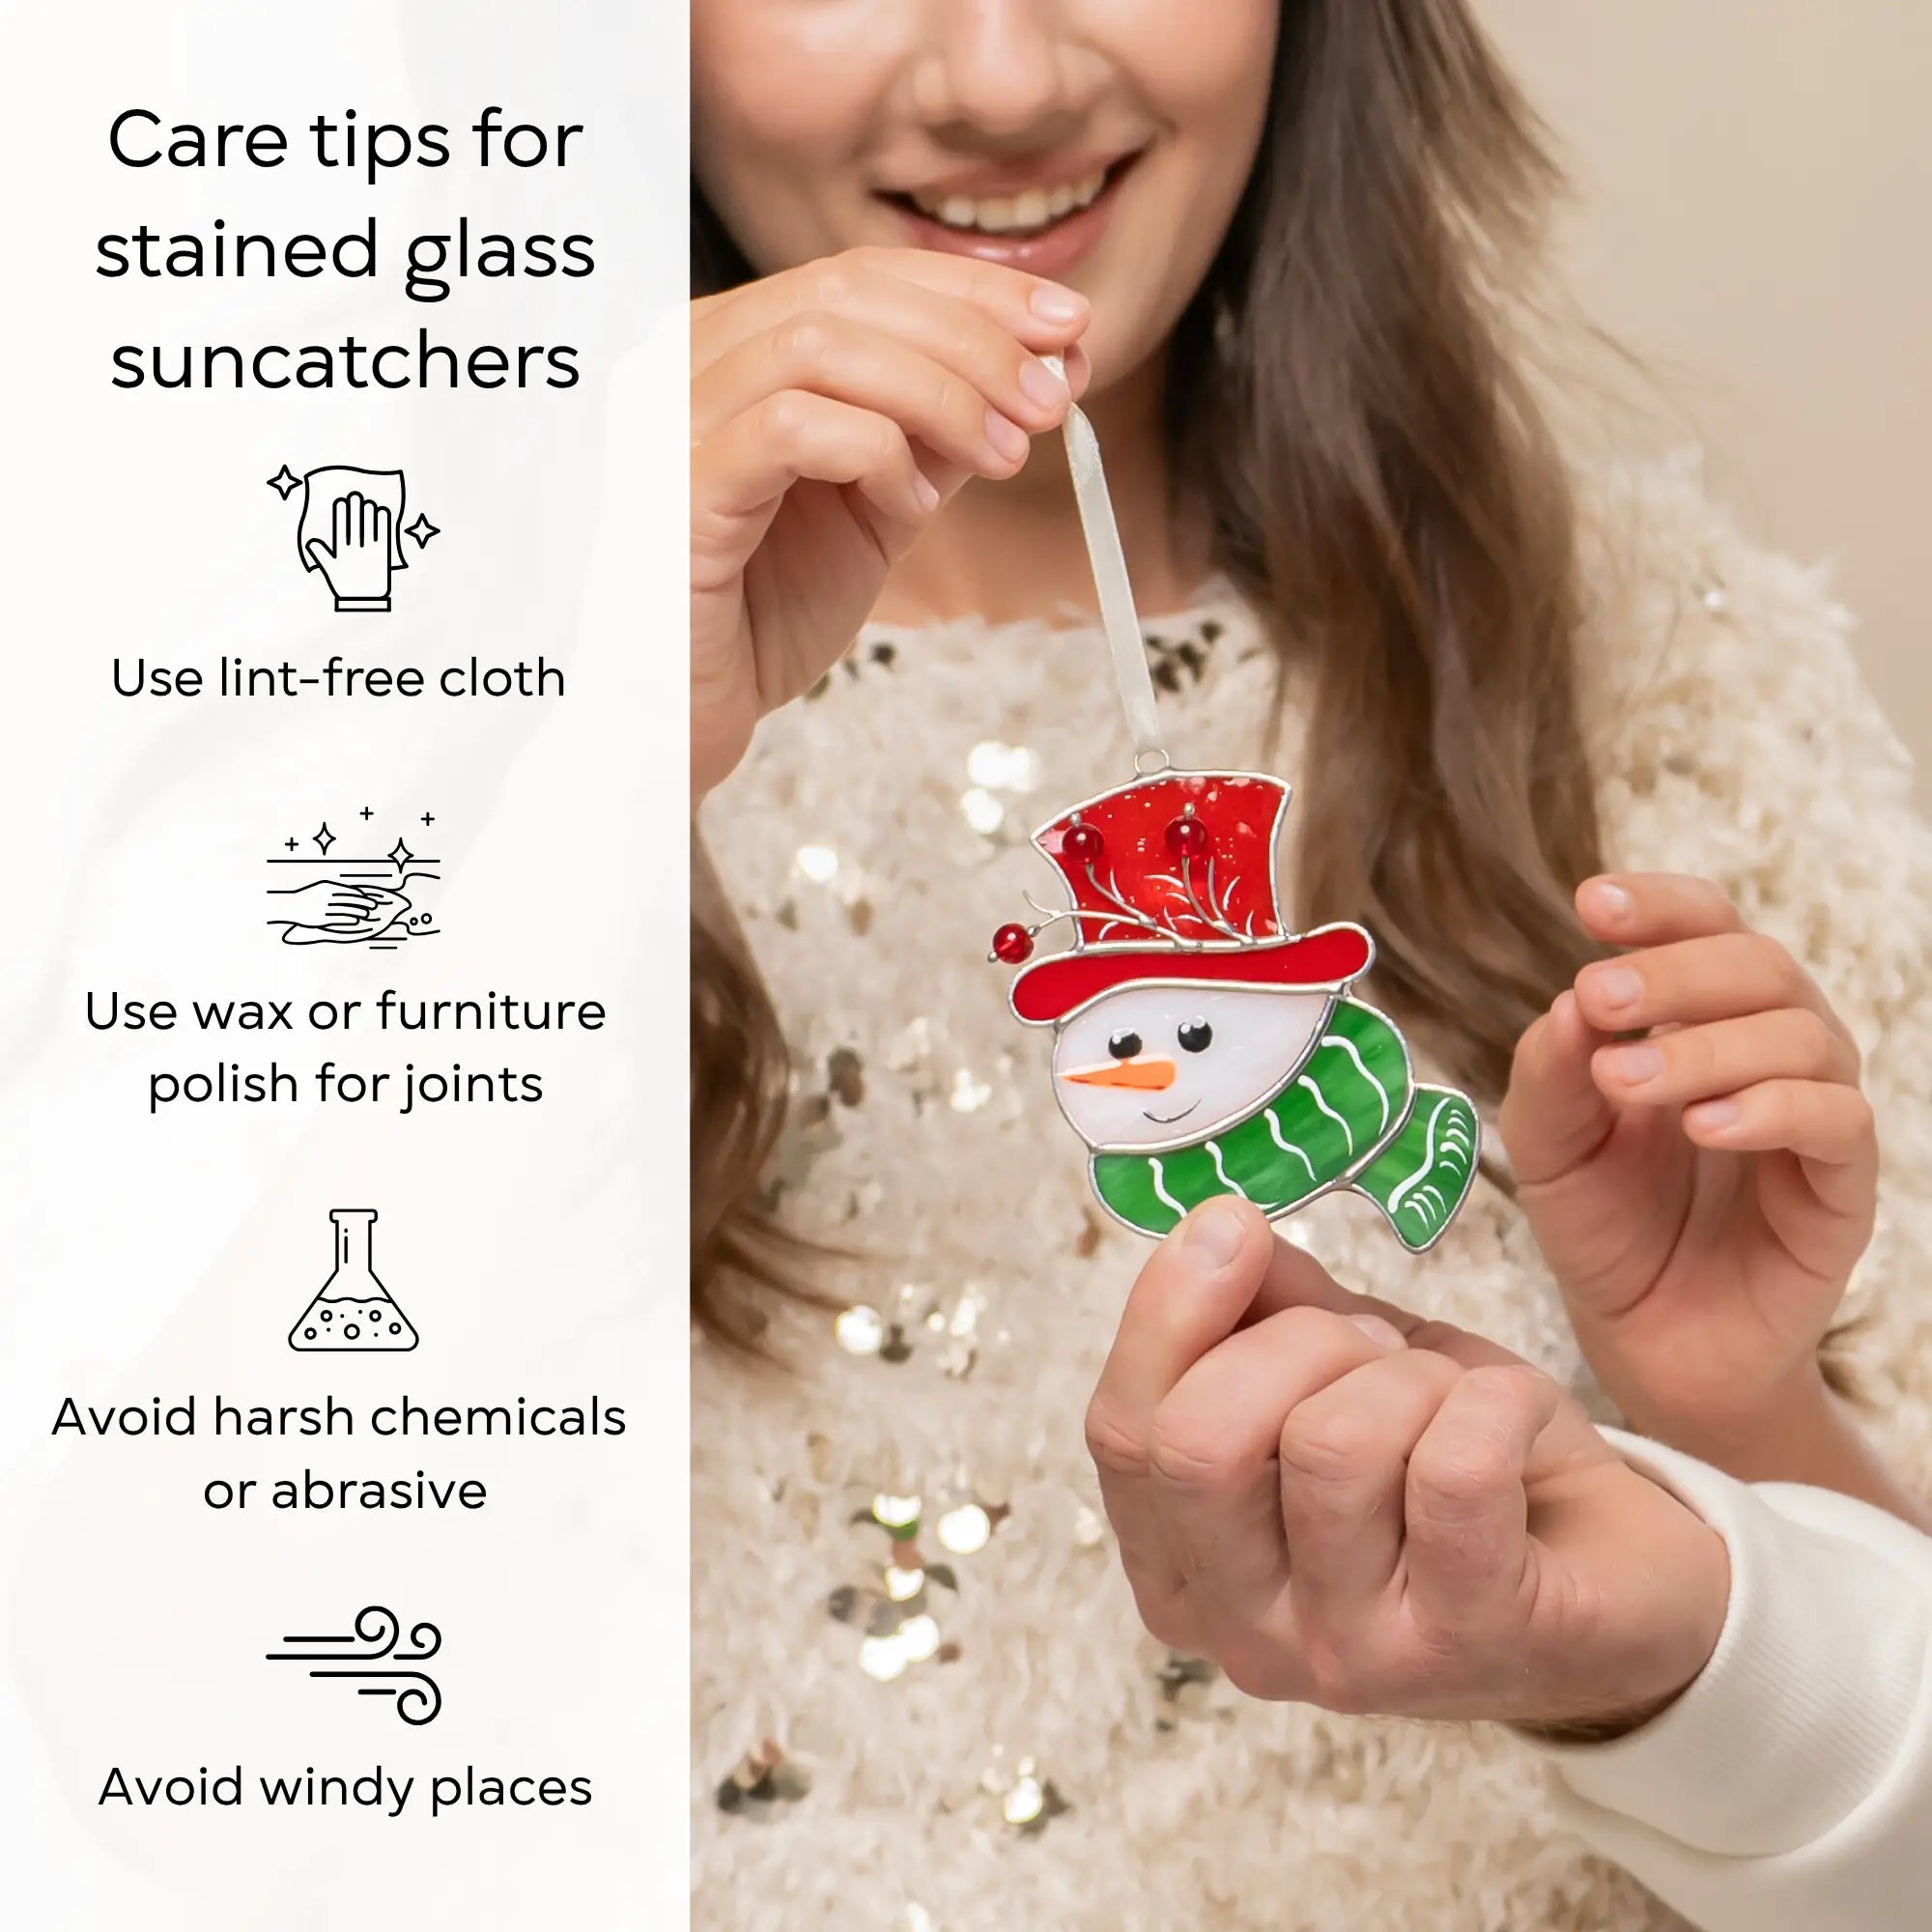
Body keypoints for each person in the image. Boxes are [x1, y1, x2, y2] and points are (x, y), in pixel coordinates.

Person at [689, 4, 1932, 1927]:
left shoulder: (1659, 678)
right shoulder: (340, 722)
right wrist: (530, 763)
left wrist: (1729, 1414)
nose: (1003, 80)